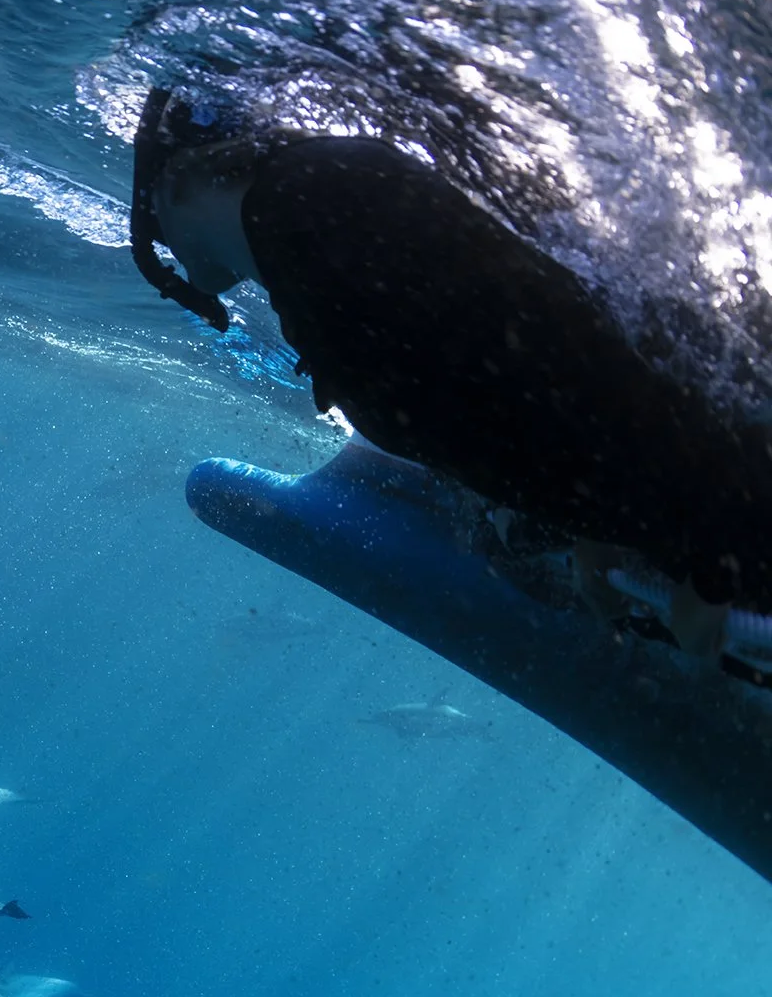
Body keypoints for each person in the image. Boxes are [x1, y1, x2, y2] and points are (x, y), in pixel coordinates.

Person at [129, 87, 772, 618]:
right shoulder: (302, 215)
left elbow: (546, 359)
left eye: (149, 222)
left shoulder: (310, 212)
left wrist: (700, 553)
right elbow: (517, 361)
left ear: (169, 187)